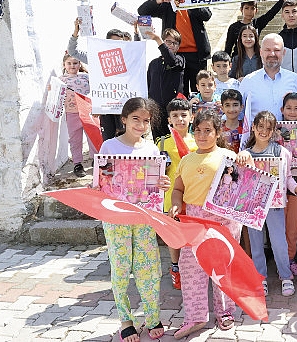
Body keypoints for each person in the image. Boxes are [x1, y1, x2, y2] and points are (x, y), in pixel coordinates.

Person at [168, 109, 254, 338]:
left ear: (217, 133)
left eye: (208, 131)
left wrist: (246, 156)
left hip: (224, 220)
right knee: (190, 267)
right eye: (198, 131)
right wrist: (176, 204)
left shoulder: (229, 156)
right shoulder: (186, 160)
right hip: (194, 219)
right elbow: (178, 189)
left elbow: (249, 177)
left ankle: (225, 312)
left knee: (222, 266)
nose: (202, 135)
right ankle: (195, 317)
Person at [97, 97, 170, 342]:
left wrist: (162, 184)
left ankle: (151, 316)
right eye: (136, 119)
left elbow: (153, 186)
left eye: (146, 121)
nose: (141, 124)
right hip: (116, 217)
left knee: (148, 267)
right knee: (120, 267)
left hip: (143, 217)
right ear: (124, 119)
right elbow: (102, 180)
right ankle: (126, 320)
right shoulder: (109, 146)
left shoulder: (150, 149)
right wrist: (96, 183)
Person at [240, 111, 297, 296]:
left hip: (275, 205)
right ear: (253, 127)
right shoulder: (245, 154)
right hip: (253, 207)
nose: (264, 131)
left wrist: (296, 189)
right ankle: (260, 278)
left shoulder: (282, 152)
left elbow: (287, 179)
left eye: (268, 128)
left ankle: (285, 276)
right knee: (256, 244)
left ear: (273, 131)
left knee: (279, 243)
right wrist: (243, 156)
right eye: (260, 127)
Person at [138, 0, 212, 96]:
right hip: (175, 55)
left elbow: (207, 15)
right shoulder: (167, 5)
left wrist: (188, 2)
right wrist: (158, 0)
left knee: (198, 90)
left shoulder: (195, 2)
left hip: (197, 55)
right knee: (179, 90)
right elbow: (142, 11)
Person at [156, 98, 197, 290]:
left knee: (194, 234)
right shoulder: (162, 142)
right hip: (170, 196)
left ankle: (194, 268)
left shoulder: (198, 140)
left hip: (195, 196)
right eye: (175, 116)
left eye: (183, 115)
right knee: (173, 235)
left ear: (191, 117)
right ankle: (175, 266)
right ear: (169, 119)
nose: (180, 119)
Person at [66, 20, 131, 141]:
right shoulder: (96, 56)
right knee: (108, 138)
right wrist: (76, 32)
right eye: (113, 42)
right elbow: (72, 51)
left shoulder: (128, 57)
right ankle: (108, 160)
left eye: (120, 43)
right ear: (106, 42)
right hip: (105, 105)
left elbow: (138, 52)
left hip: (123, 103)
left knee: (125, 137)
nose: (116, 45)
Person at [239, 33, 297, 122]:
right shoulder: (248, 81)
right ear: (261, 52)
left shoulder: (296, 80)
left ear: (283, 52)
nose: (272, 54)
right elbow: (239, 113)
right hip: (258, 135)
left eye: (276, 50)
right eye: (267, 50)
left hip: (289, 135)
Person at [280, 92, 297, 276]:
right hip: (278, 184)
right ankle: (280, 258)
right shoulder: (275, 130)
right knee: (278, 223)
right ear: (282, 110)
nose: (292, 111)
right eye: (288, 108)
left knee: (293, 223)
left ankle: (290, 258)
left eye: (296, 108)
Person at [58, 54, 96, 177]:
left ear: (79, 64)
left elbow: (96, 90)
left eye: (75, 63)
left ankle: (96, 160)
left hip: (87, 112)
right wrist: (50, 88)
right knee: (75, 139)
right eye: (69, 63)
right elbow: (55, 93)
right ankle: (77, 164)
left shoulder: (87, 77)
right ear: (64, 65)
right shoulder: (61, 80)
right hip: (72, 113)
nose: (72, 66)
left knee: (93, 136)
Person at [146, 28, 185, 139]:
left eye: (175, 43)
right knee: (158, 139)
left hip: (173, 108)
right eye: (168, 42)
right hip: (156, 108)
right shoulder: (153, 63)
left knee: (174, 139)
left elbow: (170, 60)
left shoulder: (180, 60)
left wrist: (158, 40)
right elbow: (148, 84)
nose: (171, 45)